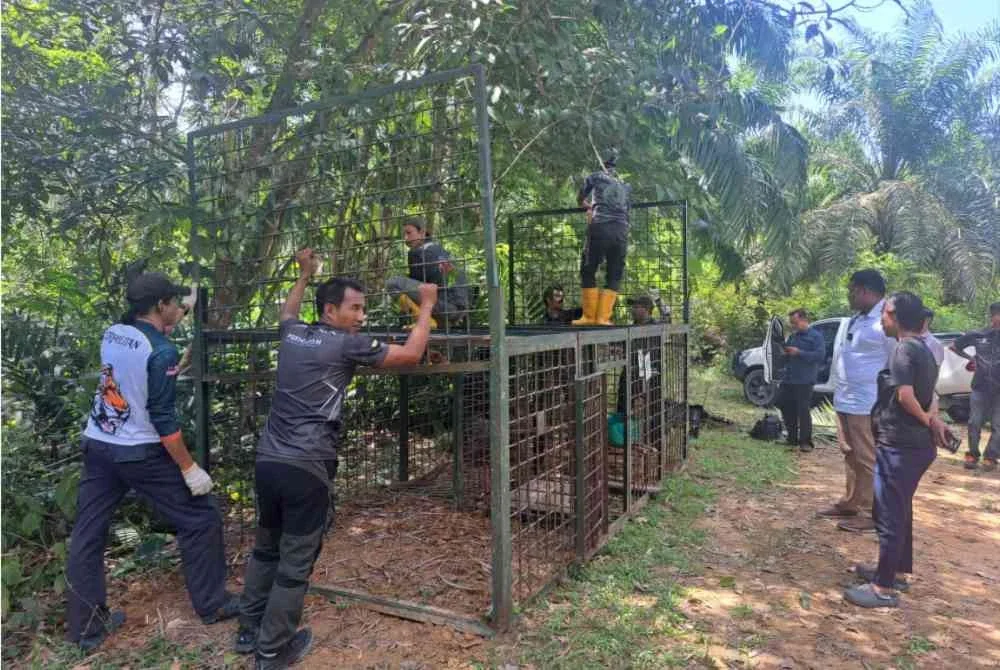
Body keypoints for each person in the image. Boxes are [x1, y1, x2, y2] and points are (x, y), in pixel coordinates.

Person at [235, 249, 438, 669]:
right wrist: (428, 307)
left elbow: (287, 312)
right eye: (355, 308)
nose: (362, 316)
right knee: (296, 559)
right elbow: (411, 356)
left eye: (363, 308)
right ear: (331, 310)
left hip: (268, 461)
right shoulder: (348, 345)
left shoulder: (293, 335)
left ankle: (247, 630)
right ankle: (272, 651)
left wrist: (305, 275)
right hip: (307, 466)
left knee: (265, 547)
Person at [66, 273, 237, 651]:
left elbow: (145, 331)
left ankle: (86, 629)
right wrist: (189, 469)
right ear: (160, 305)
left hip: (98, 443)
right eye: (174, 303)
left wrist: (183, 307)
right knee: (201, 516)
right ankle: (213, 604)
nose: (179, 307)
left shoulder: (114, 332)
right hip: (139, 451)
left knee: (87, 535)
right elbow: (164, 421)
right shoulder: (163, 353)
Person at [843, 292, 950, 608]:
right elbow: (928, 397)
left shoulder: (904, 350)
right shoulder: (926, 350)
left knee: (889, 513)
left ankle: (883, 588)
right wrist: (933, 421)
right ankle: (897, 570)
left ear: (896, 316)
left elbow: (906, 397)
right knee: (898, 510)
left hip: (902, 447)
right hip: (911, 446)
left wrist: (930, 423)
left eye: (885, 314)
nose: (881, 319)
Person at [818, 269, 896, 532]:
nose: (849, 296)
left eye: (852, 290)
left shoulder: (886, 321)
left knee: (868, 457)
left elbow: (897, 362)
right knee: (850, 454)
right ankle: (852, 501)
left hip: (868, 402)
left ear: (864, 290)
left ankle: (874, 513)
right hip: (846, 399)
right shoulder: (858, 319)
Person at [572, 153, 631, 326]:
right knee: (614, 272)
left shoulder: (596, 176)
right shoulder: (626, 186)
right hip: (621, 230)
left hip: (601, 228)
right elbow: (628, 211)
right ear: (616, 168)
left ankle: (589, 317)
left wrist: (587, 206)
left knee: (588, 269)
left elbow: (581, 197)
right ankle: (603, 318)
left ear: (602, 164)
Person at [387, 219, 469, 329]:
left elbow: (416, 289)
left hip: (444, 306)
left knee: (393, 283)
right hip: (458, 311)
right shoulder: (440, 250)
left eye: (409, 233)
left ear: (422, 233)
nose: (405, 238)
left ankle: (425, 321)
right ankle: (439, 322)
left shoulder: (417, 252)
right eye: (404, 234)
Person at [950, 302, 1000, 471]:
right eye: (997, 316)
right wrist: (970, 359)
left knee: (998, 425)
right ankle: (972, 454)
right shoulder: (978, 334)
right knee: (974, 422)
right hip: (980, 386)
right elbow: (954, 346)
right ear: (992, 317)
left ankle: (991, 457)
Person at [777, 309, 826, 452]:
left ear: (804, 320)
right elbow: (787, 356)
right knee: (784, 405)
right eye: (791, 323)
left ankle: (805, 442)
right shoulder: (793, 336)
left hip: (804, 380)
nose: (793, 326)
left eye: (795, 323)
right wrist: (784, 354)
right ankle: (791, 438)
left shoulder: (816, 337)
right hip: (789, 379)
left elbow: (819, 356)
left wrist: (799, 353)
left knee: (803, 411)